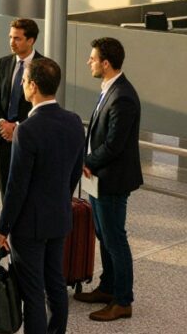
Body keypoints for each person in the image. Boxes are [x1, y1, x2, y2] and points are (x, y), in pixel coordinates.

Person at [0, 58, 86, 334]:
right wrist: (60, 197)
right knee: (56, 284)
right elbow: (74, 172)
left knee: (32, 292)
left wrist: (3, 227)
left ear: (33, 86)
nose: (22, 85)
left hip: (29, 225)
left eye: (24, 81)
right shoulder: (74, 122)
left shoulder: (27, 129)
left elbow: (16, 186)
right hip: (59, 217)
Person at [75, 37, 143, 322]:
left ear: (106, 63)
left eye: (93, 58)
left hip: (112, 180)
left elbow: (114, 145)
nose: (89, 62)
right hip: (99, 177)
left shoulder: (123, 96)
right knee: (104, 235)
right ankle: (108, 287)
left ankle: (123, 300)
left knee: (115, 238)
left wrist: (86, 162)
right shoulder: (109, 90)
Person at [0, 17, 43, 198]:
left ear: (31, 40)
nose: (12, 42)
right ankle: (8, 226)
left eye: (17, 38)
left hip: (27, 138)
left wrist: (18, 127)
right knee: (6, 191)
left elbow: (42, 105)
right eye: (10, 37)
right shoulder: (4, 63)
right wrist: (2, 123)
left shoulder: (43, 67)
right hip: (3, 137)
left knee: (26, 191)